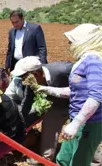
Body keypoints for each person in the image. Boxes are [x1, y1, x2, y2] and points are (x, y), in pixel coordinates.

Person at [36, 24, 102, 166]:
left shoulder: (93, 61)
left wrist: (75, 124)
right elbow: (75, 91)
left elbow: (96, 97)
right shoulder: (83, 60)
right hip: (77, 119)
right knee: (63, 160)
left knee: (79, 162)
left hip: (88, 124)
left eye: (72, 40)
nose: (69, 43)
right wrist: (46, 89)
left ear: (84, 40)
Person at [5, 56, 73, 165]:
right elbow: (26, 105)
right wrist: (20, 126)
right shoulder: (31, 82)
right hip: (56, 106)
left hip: (78, 104)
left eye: (23, 77)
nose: (22, 81)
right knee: (49, 129)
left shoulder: (63, 70)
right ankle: (45, 159)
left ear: (35, 75)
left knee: (83, 134)